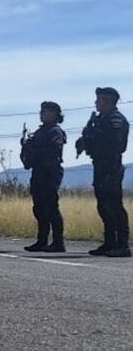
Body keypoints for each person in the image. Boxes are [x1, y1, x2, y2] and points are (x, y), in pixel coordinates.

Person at [77, 87, 130, 257]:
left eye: (99, 100)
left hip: (111, 166)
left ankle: (122, 244)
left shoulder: (115, 120)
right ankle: (109, 243)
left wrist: (93, 137)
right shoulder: (100, 120)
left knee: (114, 205)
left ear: (108, 101)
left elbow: (116, 145)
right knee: (103, 205)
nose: (96, 103)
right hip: (100, 165)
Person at [20, 101, 66, 252]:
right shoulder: (40, 132)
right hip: (38, 171)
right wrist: (26, 147)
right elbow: (29, 155)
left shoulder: (55, 131)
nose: (43, 114)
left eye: (46, 111)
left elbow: (52, 151)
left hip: (50, 172)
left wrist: (34, 151)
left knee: (51, 207)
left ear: (55, 114)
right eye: (42, 111)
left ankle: (58, 242)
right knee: (39, 208)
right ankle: (42, 240)